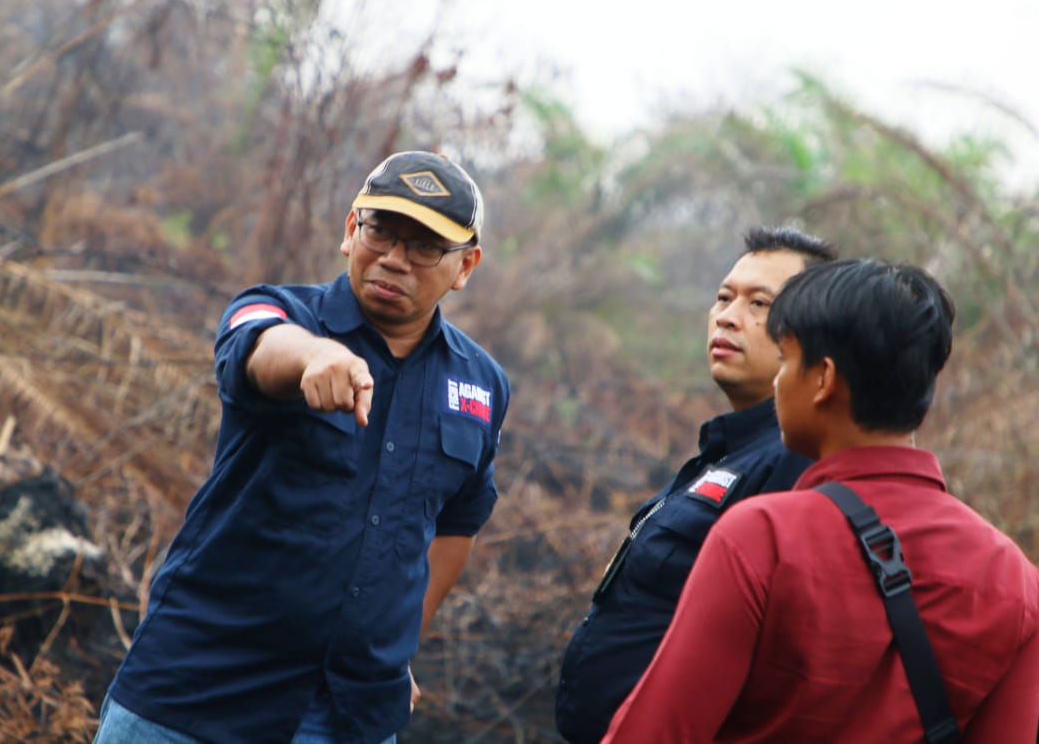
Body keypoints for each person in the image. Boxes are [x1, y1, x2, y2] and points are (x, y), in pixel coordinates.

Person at [94, 151, 510, 744]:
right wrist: (316, 355)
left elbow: (457, 524)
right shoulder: (282, 312)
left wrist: (397, 645)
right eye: (381, 232)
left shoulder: (481, 384)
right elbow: (257, 348)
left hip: (348, 719)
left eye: (424, 247)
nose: (394, 258)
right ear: (350, 231)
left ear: (465, 266)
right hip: (193, 694)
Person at [602, 259, 1039, 742]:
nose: (777, 382)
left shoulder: (761, 538)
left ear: (823, 379)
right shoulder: (1017, 582)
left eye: (786, 360)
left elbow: (656, 733)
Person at [554, 225, 837, 743]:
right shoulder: (728, 453)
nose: (728, 316)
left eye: (759, 303)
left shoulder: (794, 463)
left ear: (814, 337)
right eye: (724, 297)